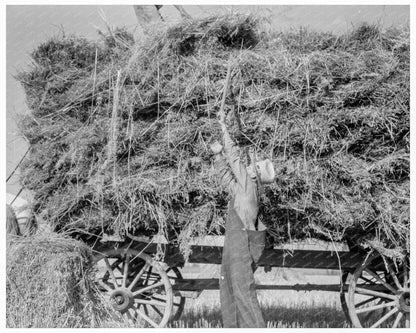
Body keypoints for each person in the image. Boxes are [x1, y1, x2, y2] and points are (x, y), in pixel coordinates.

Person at [210, 114, 275, 328]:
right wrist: (218, 156)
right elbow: (227, 178)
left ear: (255, 175)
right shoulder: (242, 191)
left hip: (241, 251)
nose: (248, 166)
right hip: (233, 249)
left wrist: (224, 129)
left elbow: (235, 160)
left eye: (252, 166)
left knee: (243, 292)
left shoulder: (249, 189)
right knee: (229, 289)